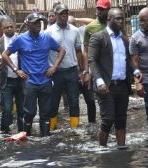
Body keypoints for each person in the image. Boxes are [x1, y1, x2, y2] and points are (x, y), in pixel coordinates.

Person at [2, 13, 66, 136]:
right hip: (29, 81)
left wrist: (54, 66)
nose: (38, 25)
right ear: (27, 24)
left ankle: (45, 137)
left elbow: (62, 50)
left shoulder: (46, 37)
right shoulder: (20, 39)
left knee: (45, 112)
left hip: (45, 80)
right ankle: (27, 137)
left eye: (39, 22)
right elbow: (5, 54)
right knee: (29, 112)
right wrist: (16, 70)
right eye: (35, 23)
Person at [89, 8, 133, 147]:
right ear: (109, 19)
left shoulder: (125, 39)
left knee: (121, 119)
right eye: (117, 18)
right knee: (108, 119)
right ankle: (102, 149)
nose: (120, 21)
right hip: (105, 86)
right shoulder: (98, 37)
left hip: (122, 85)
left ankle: (121, 148)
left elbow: (129, 61)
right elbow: (92, 61)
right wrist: (99, 81)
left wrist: (136, 76)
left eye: (122, 18)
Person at [46, 4, 84, 129]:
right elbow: (44, 52)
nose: (64, 16)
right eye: (61, 14)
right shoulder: (48, 32)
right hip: (55, 72)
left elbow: (78, 50)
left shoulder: (74, 30)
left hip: (71, 71)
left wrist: (82, 70)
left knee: (74, 101)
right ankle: (52, 128)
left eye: (66, 14)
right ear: (56, 15)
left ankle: (75, 128)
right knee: (54, 101)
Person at [0, 15, 24, 134]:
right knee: (7, 109)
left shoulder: (21, 39)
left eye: (11, 27)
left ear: (14, 27)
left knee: (21, 108)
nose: (9, 29)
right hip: (6, 80)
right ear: (2, 29)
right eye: (6, 27)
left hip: (20, 80)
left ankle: (22, 130)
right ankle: (4, 131)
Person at [84, 0, 110, 83]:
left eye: (102, 9)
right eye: (98, 9)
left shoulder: (114, 25)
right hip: (96, 68)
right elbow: (86, 51)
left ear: (109, 10)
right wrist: (87, 71)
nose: (99, 12)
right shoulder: (90, 27)